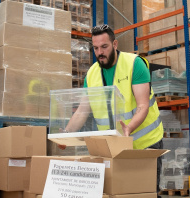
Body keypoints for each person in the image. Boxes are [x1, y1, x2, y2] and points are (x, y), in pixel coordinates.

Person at [64, 24, 163, 196]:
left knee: (145, 193)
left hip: (145, 144)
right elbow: (82, 110)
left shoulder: (134, 64)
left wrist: (129, 128)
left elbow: (143, 105)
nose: (100, 52)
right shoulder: (92, 74)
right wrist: (66, 134)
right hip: (116, 148)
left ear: (115, 44)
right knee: (121, 193)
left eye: (104, 46)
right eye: (96, 48)